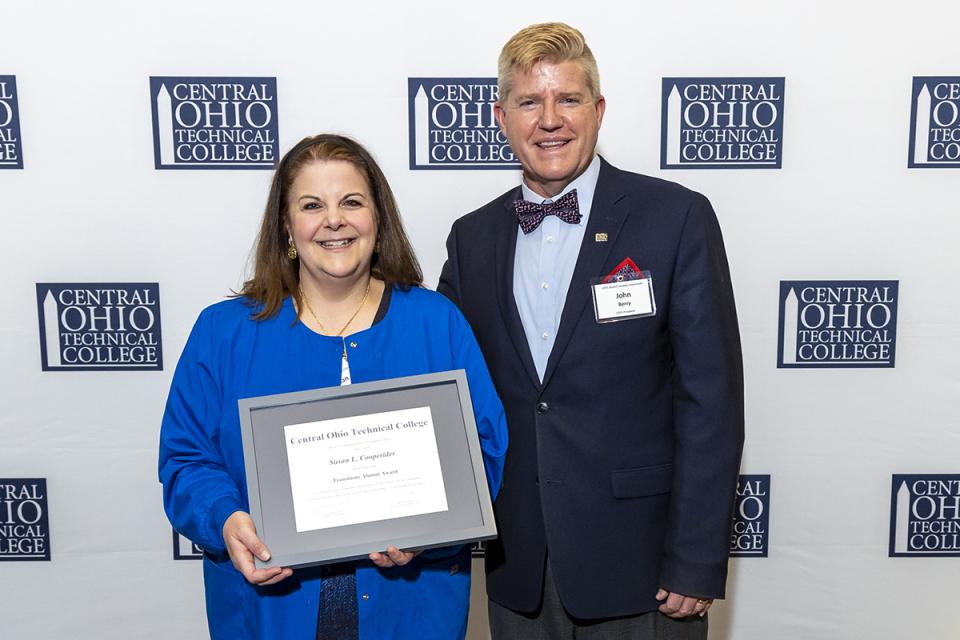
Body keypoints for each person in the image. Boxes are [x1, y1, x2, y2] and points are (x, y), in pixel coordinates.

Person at [438, 23, 744, 639]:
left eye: (568, 99)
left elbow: (710, 401)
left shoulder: (676, 217)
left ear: (598, 110)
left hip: (644, 570)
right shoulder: (472, 239)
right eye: (530, 102)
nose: (550, 120)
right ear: (501, 116)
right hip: (517, 566)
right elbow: (446, 394)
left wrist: (697, 559)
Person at [159, 134, 507, 640]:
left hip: (410, 609)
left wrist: (431, 533)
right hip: (267, 608)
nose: (334, 220)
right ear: (286, 224)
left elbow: (485, 448)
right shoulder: (223, 332)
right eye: (311, 205)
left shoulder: (437, 324)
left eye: (351, 202)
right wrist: (225, 517)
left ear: (377, 217)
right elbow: (186, 459)